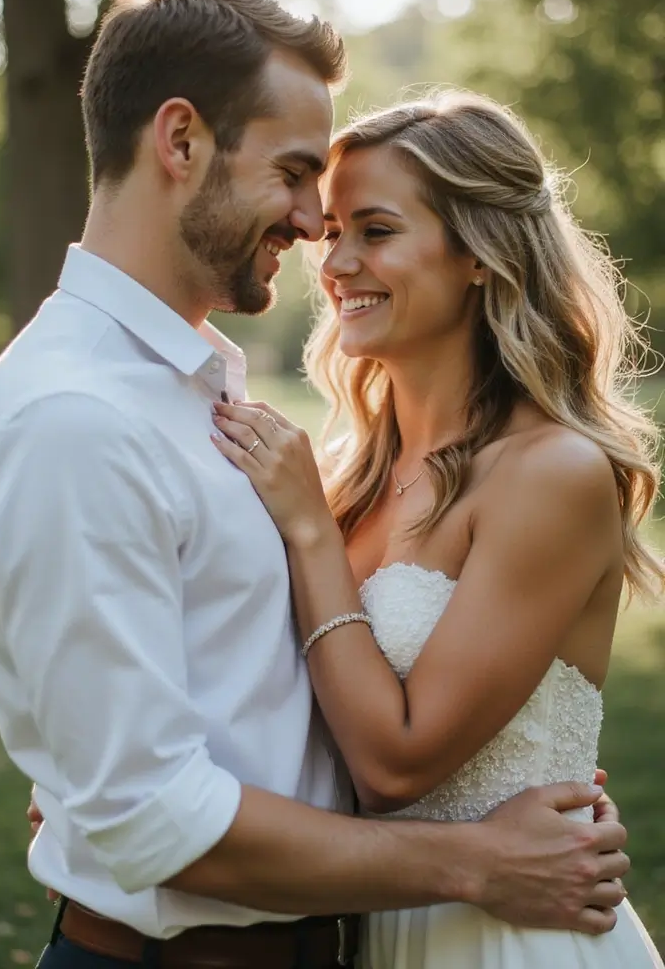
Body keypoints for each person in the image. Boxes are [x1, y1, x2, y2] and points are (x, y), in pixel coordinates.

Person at [0, 0, 629, 969]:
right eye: (295, 174)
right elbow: (149, 814)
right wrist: (473, 859)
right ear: (180, 142)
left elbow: (245, 685)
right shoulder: (76, 417)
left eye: (367, 222)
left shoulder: (211, 399)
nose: (317, 228)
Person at [212, 90, 665, 968]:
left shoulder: (551, 474)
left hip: (511, 937)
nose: (337, 261)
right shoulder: (345, 478)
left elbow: (395, 766)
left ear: (479, 257)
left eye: (376, 231)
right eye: (332, 230)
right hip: (368, 924)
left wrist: (308, 533)